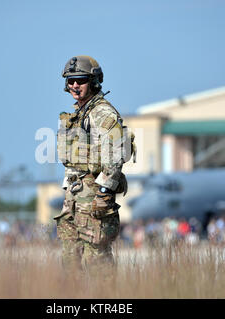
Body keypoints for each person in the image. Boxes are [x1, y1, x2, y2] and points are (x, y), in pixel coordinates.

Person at [54, 55, 134, 276]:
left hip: (94, 193)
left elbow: (116, 155)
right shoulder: (80, 113)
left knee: (96, 257)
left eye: (80, 80)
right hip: (75, 194)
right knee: (70, 257)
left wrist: (104, 193)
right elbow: (73, 160)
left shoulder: (102, 113)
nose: (74, 85)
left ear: (94, 81)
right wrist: (68, 190)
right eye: (70, 81)